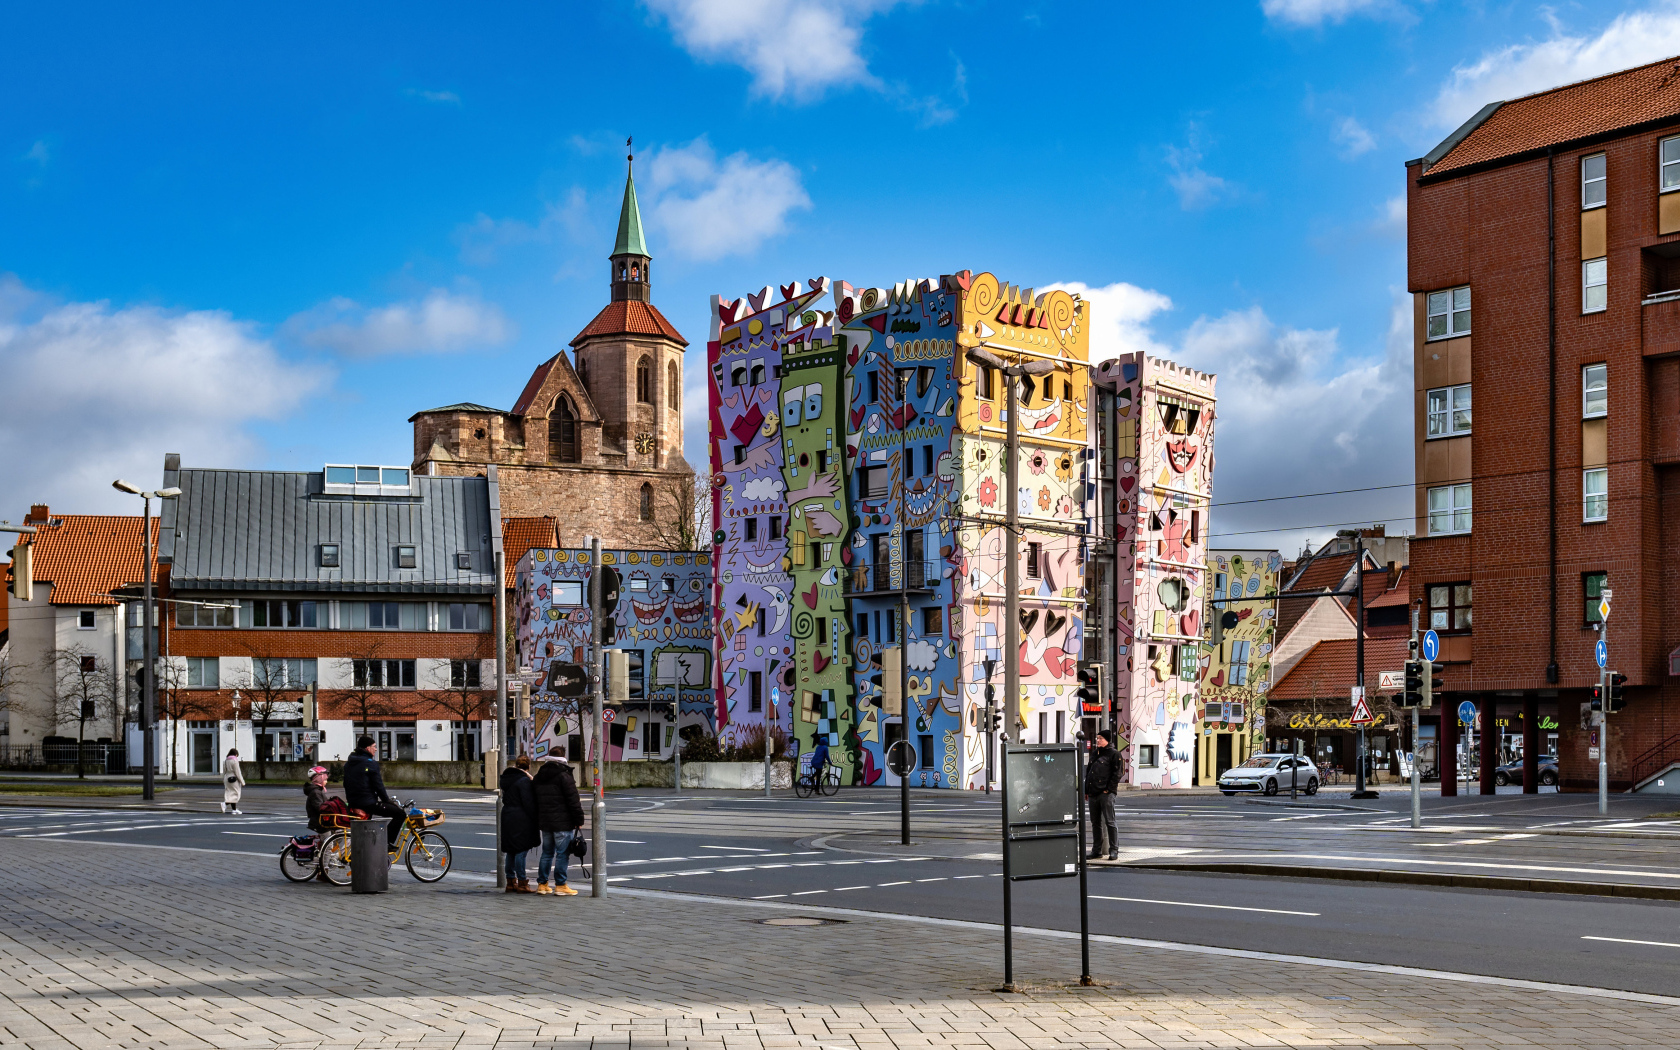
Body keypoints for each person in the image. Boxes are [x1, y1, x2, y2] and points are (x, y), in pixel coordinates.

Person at [343, 735, 405, 853]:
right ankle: (386, 843)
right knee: (400, 814)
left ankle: (361, 853)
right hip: (367, 802)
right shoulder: (370, 763)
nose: (376, 749)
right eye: (374, 746)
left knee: (365, 829)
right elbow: (378, 785)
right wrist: (387, 800)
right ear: (367, 748)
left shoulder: (349, 762)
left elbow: (346, 783)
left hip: (353, 802)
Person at [532, 758, 584, 896]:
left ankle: (542, 885)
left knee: (547, 853)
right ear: (563, 760)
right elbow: (573, 800)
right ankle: (560, 885)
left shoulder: (538, 777)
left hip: (545, 822)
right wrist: (579, 819)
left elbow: (534, 799)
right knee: (562, 854)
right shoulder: (564, 776)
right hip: (563, 822)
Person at [499, 754, 540, 893]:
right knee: (521, 850)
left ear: (516, 765)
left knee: (511, 849)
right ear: (528, 766)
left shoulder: (507, 779)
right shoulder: (524, 781)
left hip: (507, 815)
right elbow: (528, 802)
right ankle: (522, 882)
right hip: (521, 817)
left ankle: (510, 882)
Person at [1084, 732, 1121, 861]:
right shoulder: (1095, 753)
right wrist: (1086, 790)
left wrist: (1109, 789)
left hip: (1106, 794)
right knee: (1095, 823)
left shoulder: (1114, 754)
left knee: (1110, 821)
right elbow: (1089, 772)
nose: (1097, 740)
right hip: (1093, 793)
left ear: (1107, 740)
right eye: (1097, 738)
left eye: (1100, 738)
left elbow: (1117, 774)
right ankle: (1096, 850)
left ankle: (1114, 850)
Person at [303, 765, 330, 832]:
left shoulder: (317, 791)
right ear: (319, 779)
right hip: (319, 822)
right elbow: (320, 807)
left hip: (321, 820)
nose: (327, 782)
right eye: (325, 779)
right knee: (328, 840)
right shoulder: (315, 792)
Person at [221, 748, 245, 815]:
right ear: (236, 754)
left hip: (227, 778)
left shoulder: (225, 761)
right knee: (236, 794)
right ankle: (224, 804)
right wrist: (242, 782)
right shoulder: (234, 761)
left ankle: (234, 810)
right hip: (234, 779)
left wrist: (224, 780)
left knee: (230, 793)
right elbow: (238, 772)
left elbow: (224, 772)